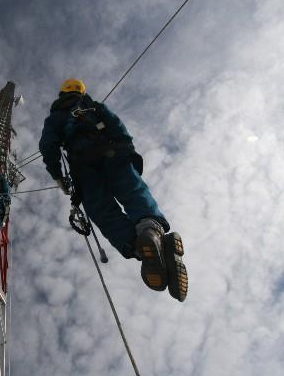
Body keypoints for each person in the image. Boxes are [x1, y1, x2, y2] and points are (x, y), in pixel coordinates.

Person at [38, 78, 188, 301]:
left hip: (82, 165)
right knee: (132, 190)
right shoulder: (94, 106)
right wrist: (128, 149)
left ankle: (137, 246)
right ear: (80, 91)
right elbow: (117, 125)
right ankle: (152, 230)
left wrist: (58, 175)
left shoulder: (55, 118)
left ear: (63, 93)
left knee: (102, 210)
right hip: (112, 152)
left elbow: (48, 146)